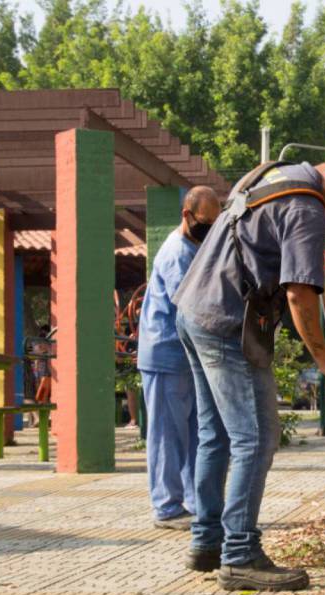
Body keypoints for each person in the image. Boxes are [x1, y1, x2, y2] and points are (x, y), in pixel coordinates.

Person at [173, 150, 325, 592]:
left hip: (193, 310)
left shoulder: (274, 173)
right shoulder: (308, 206)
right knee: (256, 437)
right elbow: (298, 295)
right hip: (226, 323)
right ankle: (239, 555)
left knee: (216, 436)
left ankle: (208, 541)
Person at [138, 186, 221, 530]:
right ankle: (167, 507)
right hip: (165, 353)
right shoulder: (176, 252)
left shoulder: (197, 246)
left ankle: (193, 501)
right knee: (166, 436)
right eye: (206, 223)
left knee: (193, 434)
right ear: (187, 216)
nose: (210, 229)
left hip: (187, 356)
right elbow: (191, 304)